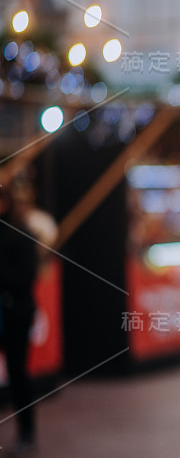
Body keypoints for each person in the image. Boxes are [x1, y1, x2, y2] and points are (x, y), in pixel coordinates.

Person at [0, 182, 39, 453]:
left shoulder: (21, 234)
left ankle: (27, 432)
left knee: (17, 373)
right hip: (7, 310)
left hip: (15, 312)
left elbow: (27, 276)